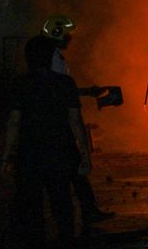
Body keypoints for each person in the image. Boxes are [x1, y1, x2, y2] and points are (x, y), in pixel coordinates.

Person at [1, 35, 91, 247]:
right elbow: (76, 122)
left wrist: (6, 155)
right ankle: (66, 241)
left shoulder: (20, 83)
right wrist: (85, 155)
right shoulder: (65, 83)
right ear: (50, 57)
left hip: (29, 154)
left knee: (31, 206)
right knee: (62, 204)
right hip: (59, 152)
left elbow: (14, 122)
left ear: (28, 58)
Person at [41, 14, 115, 226]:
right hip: (57, 121)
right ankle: (72, 219)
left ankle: (87, 210)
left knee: (73, 169)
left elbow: (62, 89)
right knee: (71, 167)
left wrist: (88, 92)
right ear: (57, 33)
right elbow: (60, 91)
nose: (70, 39)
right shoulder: (53, 59)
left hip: (54, 120)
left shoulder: (51, 57)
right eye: (67, 34)